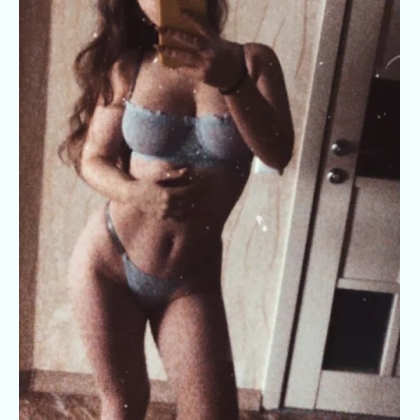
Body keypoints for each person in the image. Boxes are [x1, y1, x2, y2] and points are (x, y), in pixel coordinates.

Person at [59, 0, 294, 419]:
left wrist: (233, 83)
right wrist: (138, 193)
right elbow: (93, 159)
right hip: (108, 265)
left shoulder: (253, 62)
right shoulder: (130, 66)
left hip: (191, 279)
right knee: (123, 404)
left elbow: (277, 154)